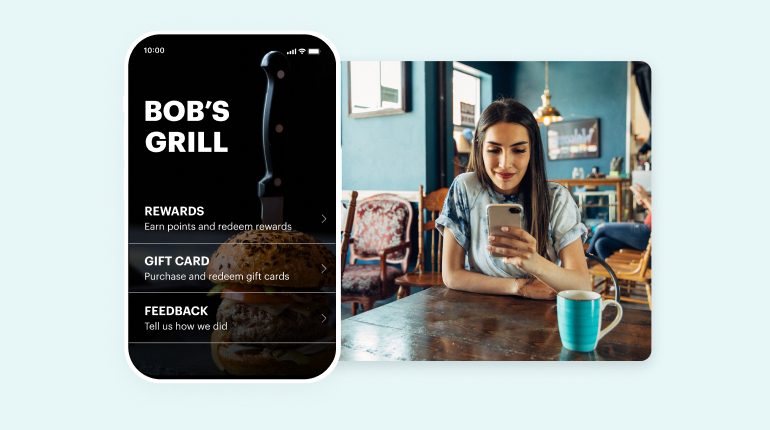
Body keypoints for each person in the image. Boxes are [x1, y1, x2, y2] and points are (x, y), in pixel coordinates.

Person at [436, 99, 590, 300]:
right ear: (480, 149)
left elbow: (583, 285)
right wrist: (519, 287)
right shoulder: (465, 188)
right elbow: (451, 275)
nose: (505, 163)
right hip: (479, 313)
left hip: (542, 315)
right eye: (494, 150)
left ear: (532, 152)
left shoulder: (556, 198)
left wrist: (535, 263)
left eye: (518, 150)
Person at [586, 184, 651, 260]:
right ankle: (612, 271)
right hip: (645, 231)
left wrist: (646, 199)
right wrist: (645, 202)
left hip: (647, 234)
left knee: (602, 227)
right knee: (601, 243)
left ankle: (585, 260)